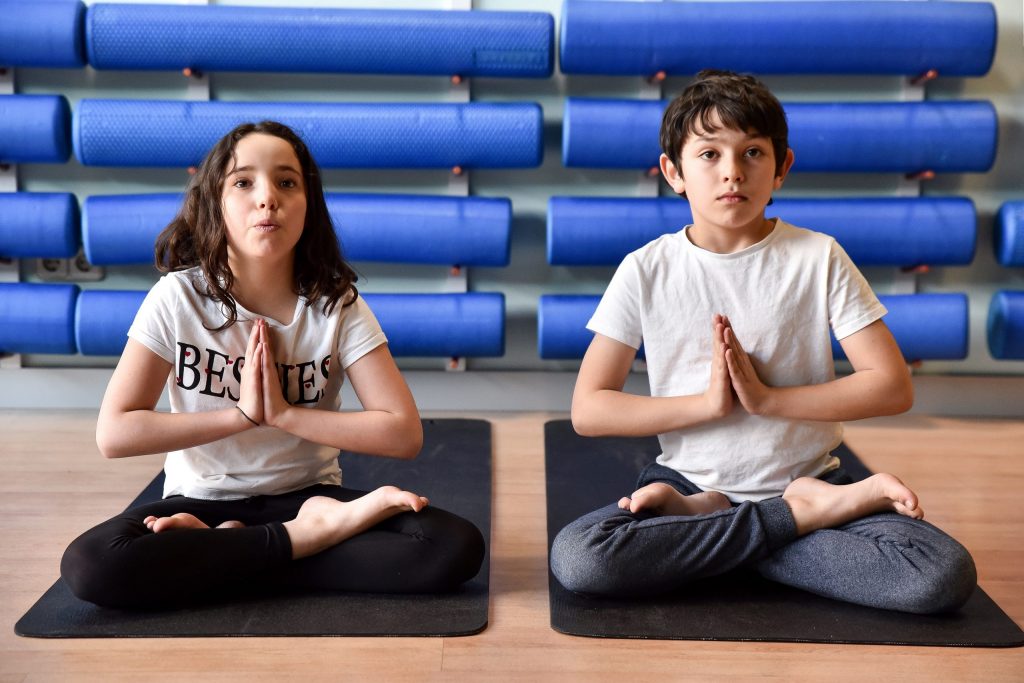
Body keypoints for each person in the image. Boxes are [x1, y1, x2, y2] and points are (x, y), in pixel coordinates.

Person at [549, 70, 976, 614]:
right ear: (674, 172)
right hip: (689, 483)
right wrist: (709, 405)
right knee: (583, 558)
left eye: (752, 152)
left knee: (938, 575)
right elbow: (589, 410)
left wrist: (769, 401)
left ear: (781, 168)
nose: (732, 171)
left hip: (810, 478)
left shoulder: (819, 257)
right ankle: (797, 517)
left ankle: (718, 527)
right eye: (709, 154)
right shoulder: (645, 269)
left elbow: (892, 387)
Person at [61, 121, 484, 609]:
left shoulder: (336, 304)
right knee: (92, 564)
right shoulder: (176, 298)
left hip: (308, 496)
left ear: (309, 204)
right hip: (201, 499)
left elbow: (403, 434)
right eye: (243, 182)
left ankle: (220, 550)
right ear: (215, 201)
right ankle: (307, 539)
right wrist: (240, 416)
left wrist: (283, 415)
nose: (267, 198)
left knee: (452, 546)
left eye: (286, 182)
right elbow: (115, 434)